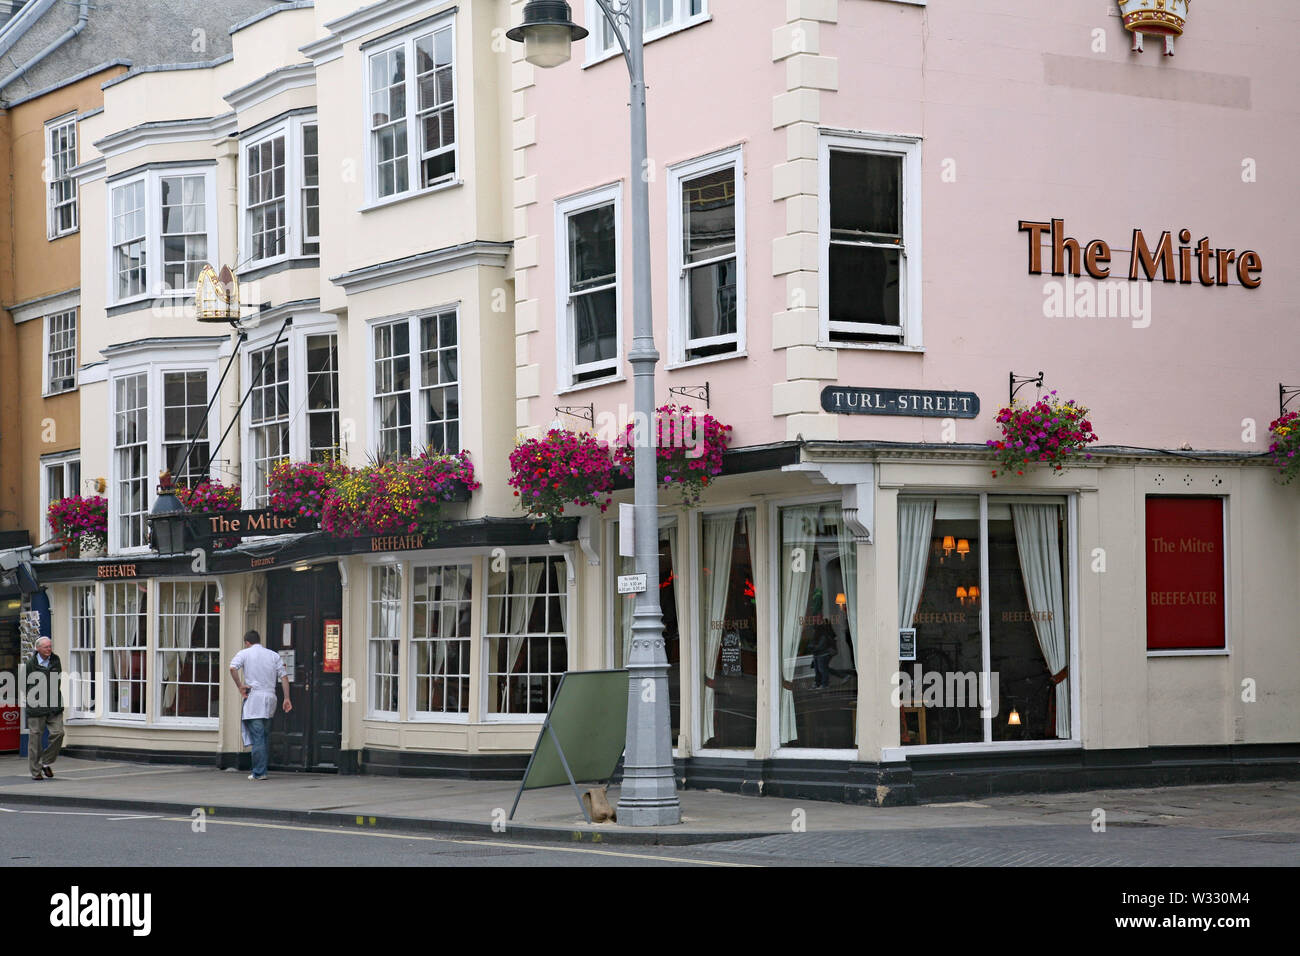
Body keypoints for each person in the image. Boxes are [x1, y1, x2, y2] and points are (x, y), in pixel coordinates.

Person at [228, 630, 292, 781]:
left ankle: (259, 772)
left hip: (255, 698)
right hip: (270, 698)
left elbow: (232, 668)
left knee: (257, 737)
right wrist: (287, 698)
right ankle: (261, 769)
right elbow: (283, 676)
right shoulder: (273, 655)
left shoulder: (244, 653)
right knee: (264, 736)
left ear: (247, 642)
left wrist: (240, 686)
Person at [25, 636, 65, 781]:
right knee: (35, 740)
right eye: (46, 647)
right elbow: (25, 685)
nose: (49, 649)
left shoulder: (56, 660)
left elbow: (57, 680)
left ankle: (45, 762)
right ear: (38, 649)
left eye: (50, 646)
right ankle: (36, 771)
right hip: (36, 707)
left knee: (59, 733)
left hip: (54, 705)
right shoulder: (30, 664)